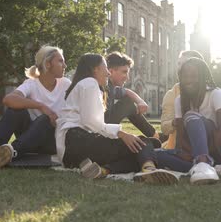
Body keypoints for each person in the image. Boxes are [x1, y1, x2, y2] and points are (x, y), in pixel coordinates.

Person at [56, 53, 178, 184]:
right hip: (78, 143)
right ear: (95, 69)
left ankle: (103, 170)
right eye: (105, 68)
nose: (108, 73)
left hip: (73, 152)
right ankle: (149, 169)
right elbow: (91, 123)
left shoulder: (88, 85)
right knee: (145, 144)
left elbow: (91, 123)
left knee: (141, 149)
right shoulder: (89, 83)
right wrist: (121, 133)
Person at [0, 45, 70, 168]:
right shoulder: (31, 84)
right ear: (48, 64)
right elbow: (9, 99)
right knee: (16, 110)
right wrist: (41, 106)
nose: (65, 66)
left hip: (52, 141)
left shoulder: (66, 84)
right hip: (30, 139)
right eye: (60, 61)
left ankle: (12, 152)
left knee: (45, 119)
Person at [157, 57, 221, 184]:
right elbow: (180, 137)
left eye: (193, 76)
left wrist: (202, 153)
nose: (188, 80)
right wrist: (187, 152)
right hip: (196, 152)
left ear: (202, 77)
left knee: (191, 115)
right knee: (155, 154)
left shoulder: (216, 94)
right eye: (185, 76)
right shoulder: (179, 100)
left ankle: (203, 163)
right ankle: (216, 169)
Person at [160, 50, 221, 150]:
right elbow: (164, 128)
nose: (180, 68)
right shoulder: (172, 95)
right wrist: (177, 121)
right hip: (182, 145)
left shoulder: (213, 92)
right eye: (179, 64)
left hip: (211, 140)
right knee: (192, 119)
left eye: (185, 64)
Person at [104, 52, 156, 137]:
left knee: (128, 101)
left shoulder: (111, 87)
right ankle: (154, 135)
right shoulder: (102, 86)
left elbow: (127, 91)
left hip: (106, 126)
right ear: (111, 71)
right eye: (124, 72)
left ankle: (153, 135)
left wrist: (140, 101)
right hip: (99, 130)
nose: (127, 78)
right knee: (128, 103)